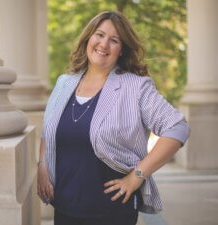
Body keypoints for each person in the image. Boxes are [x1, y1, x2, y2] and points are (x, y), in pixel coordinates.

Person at [37, 11, 190, 225]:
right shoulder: (64, 83)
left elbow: (178, 127)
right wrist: (42, 165)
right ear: (88, 38)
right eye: (99, 35)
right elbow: (48, 129)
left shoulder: (135, 87)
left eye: (114, 40)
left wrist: (136, 176)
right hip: (64, 206)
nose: (104, 44)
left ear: (121, 50)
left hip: (111, 211)